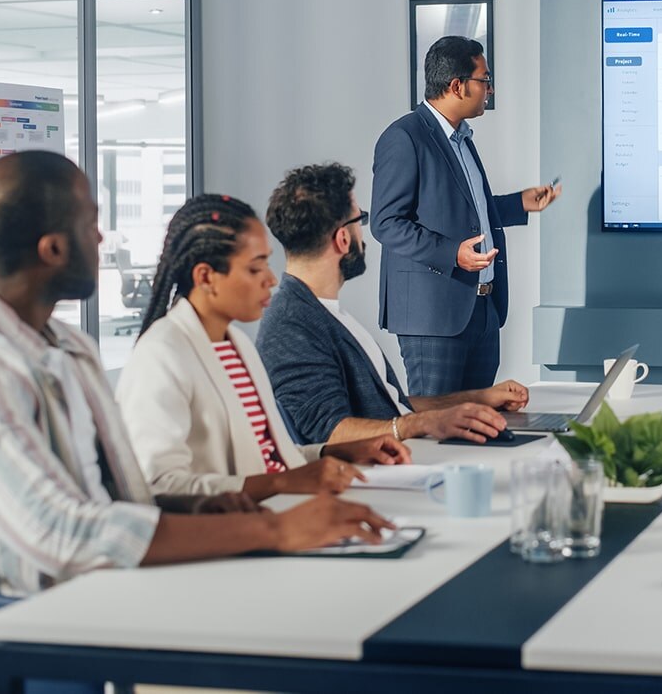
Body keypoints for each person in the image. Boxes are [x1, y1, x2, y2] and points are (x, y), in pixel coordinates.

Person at [0, 152, 392, 597]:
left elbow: (129, 492)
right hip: (42, 618)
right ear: (52, 249)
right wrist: (274, 530)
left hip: (116, 588)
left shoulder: (66, 346)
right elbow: (63, 536)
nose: (101, 237)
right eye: (90, 223)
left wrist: (207, 509)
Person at [116, 195, 412, 501]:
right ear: (206, 277)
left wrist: (339, 452)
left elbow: (265, 458)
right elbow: (159, 487)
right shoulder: (161, 355)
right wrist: (281, 485)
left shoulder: (236, 345)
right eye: (255, 269)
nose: (270, 280)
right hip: (237, 531)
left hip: (274, 511)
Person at [259, 162, 529, 445]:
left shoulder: (322, 313)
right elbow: (330, 432)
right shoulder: (292, 323)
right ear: (342, 238)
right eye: (360, 220)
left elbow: (390, 404)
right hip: (381, 475)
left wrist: (479, 398)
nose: (364, 234)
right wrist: (426, 423)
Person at [371, 35, 561, 396]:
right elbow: (386, 222)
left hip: (482, 309)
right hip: (433, 318)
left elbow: (468, 211)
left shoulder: (462, 138)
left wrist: (519, 203)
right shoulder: (404, 138)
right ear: (457, 86)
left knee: (476, 426)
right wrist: (452, 253)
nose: (489, 89)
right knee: (437, 431)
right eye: (484, 80)